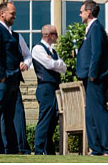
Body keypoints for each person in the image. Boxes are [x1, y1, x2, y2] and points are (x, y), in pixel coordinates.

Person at [0, 24, 33, 154]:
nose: (14, 17)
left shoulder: (17, 37)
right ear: (2, 14)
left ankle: (17, 148)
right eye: (11, 13)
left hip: (14, 79)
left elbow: (27, 55)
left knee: (15, 113)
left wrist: (25, 63)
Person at [75, 0, 108, 156]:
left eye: (81, 11)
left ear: (89, 12)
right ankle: (96, 148)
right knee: (91, 113)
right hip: (89, 77)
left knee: (98, 112)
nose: (80, 14)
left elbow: (97, 53)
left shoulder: (96, 28)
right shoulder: (90, 29)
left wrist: (92, 74)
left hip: (95, 78)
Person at [31, 24, 66, 155]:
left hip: (54, 87)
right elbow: (49, 64)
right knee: (45, 118)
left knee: (53, 119)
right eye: (56, 34)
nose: (57, 37)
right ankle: (39, 150)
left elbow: (64, 68)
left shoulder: (53, 52)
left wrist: (57, 63)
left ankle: (49, 150)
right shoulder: (38, 49)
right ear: (49, 35)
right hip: (45, 87)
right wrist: (57, 63)